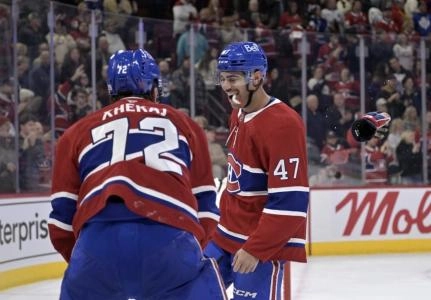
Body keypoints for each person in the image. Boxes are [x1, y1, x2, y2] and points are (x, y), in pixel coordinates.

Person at [48, 49, 227, 300]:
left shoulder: (76, 132)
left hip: (97, 243)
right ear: (154, 87)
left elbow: (61, 221)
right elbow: (207, 208)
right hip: (170, 235)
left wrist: (84, 262)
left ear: (111, 89)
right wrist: (188, 249)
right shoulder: (185, 124)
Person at [204, 41, 309, 299]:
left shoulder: (284, 125)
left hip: (257, 245)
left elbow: (290, 202)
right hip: (224, 237)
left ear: (257, 77)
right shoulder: (238, 113)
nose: (226, 86)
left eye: (233, 78)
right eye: (223, 78)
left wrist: (256, 248)